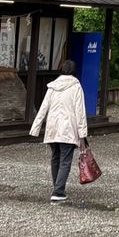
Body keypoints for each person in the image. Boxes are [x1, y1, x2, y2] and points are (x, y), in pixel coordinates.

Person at [29, 59, 89, 201]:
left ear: (61, 70)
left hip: (52, 128)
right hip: (68, 128)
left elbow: (43, 108)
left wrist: (35, 128)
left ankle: (57, 187)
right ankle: (58, 191)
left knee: (55, 157)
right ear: (74, 71)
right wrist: (83, 134)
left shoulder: (52, 86)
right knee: (65, 160)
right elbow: (80, 111)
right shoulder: (76, 87)